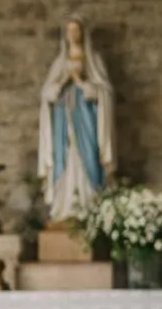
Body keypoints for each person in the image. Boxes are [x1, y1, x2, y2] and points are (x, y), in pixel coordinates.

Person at [38, 15, 116, 224]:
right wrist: (64, 80)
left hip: (87, 119)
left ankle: (91, 206)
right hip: (63, 122)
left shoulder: (93, 60)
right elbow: (47, 94)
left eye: (76, 30)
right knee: (63, 158)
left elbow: (104, 92)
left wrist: (81, 82)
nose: (73, 34)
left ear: (83, 33)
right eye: (69, 30)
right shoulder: (60, 63)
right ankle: (63, 207)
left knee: (89, 155)